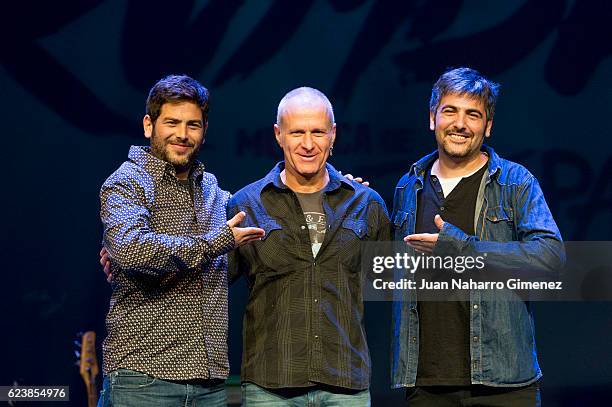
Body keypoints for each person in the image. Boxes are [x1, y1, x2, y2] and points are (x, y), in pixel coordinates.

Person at [391, 67, 565, 406]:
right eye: (450, 111)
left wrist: (461, 248)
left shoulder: (515, 182)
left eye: (473, 114)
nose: (460, 124)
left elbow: (550, 258)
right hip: (427, 382)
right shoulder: (407, 186)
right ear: (432, 118)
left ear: (487, 126)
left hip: (505, 382)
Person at [97, 74, 264, 407]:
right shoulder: (128, 181)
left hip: (210, 384)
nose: (182, 135)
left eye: (193, 125)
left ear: (204, 131)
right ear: (149, 125)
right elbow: (132, 250)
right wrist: (215, 242)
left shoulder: (215, 192)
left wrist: (336, 188)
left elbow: (244, 250)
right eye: (171, 122)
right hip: (143, 377)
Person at [228, 87, 391, 406]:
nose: (307, 144)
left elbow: (393, 285)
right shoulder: (246, 204)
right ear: (278, 135)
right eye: (297, 132)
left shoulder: (365, 203)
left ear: (333, 135)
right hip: (271, 386)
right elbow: (210, 285)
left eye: (317, 132)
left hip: (345, 384)